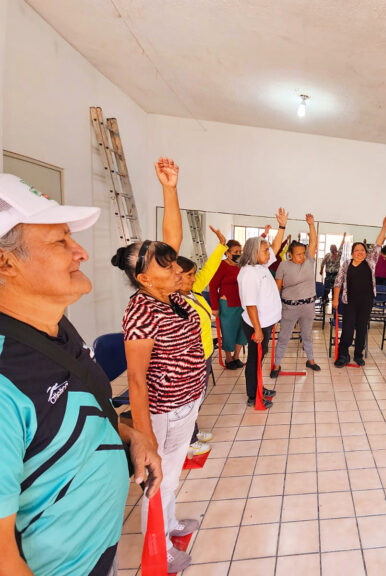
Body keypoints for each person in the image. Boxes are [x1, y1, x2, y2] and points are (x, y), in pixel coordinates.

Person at [0, 173, 161, 576]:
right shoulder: (5, 380)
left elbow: (70, 411)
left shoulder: (55, 328)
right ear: (6, 262)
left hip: (98, 554)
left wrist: (128, 433)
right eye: (60, 242)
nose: (81, 253)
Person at [114, 158, 206, 573]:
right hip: (163, 409)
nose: (175, 269)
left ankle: (169, 523)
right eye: (165, 267)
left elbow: (171, 238)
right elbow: (135, 378)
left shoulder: (171, 297)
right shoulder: (142, 311)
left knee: (171, 477)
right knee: (159, 478)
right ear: (144, 279)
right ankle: (159, 552)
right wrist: (145, 435)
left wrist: (170, 189)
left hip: (188, 400)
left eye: (173, 263)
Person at [177, 225, 229, 455]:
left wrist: (221, 245)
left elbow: (208, 271)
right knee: (188, 401)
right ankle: (187, 441)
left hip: (205, 352)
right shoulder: (173, 300)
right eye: (188, 275)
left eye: (192, 274)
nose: (193, 278)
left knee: (197, 399)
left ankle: (193, 430)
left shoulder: (193, 291)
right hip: (189, 358)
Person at [238, 209, 288, 406]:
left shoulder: (261, 266)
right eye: (265, 251)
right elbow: (250, 305)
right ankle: (253, 396)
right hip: (256, 325)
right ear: (254, 253)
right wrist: (258, 329)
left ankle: (258, 387)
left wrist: (282, 226)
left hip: (264, 323)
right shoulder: (249, 274)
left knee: (259, 359)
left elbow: (275, 246)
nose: (270, 253)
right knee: (254, 360)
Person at [333, 216, 386, 367]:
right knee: (347, 329)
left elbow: (378, 244)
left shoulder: (370, 262)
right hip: (350, 302)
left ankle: (358, 354)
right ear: (352, 253)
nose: (360, 252)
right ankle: (343, 355)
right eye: (356, 250)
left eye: (362, 250)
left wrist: (384, 227)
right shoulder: (346, 264)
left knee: (361, 329)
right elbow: (338, 281)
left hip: (366, 302)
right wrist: (335, 299)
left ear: (366, 252)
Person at [272, 214, 321, 377]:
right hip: (290, 307)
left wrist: (311, 225)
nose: (302, 256)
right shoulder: (283, 266)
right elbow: (276, 288)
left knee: (307, 334)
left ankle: (311, 360)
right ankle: (277, 364)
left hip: (308, 306)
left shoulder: (308, 261)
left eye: (303, 253)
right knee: (284, 336)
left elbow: (313, 242)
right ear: (290, 254)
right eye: (298, 254)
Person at [209, 239, 247, 369]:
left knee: (242, 332)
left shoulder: (242, 265)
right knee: (228, 332)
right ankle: (228, 358)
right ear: (228, 253)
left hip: (242, 303)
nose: (238, 254)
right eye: (235, 252)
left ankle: (236, 357)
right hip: (227, 304)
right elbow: (213, 286)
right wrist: (214, 307)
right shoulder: (222, 265)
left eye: (240, 251)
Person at [320, 233, 345, 299]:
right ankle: (325, 299)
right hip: (329, 274)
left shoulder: (338, 254)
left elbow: (341, 245)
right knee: (327, 289)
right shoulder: (328, 255)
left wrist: (344, 237)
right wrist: (321, 271)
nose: (333, 250)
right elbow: (322, 263)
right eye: (332, 249)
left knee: (335, 289)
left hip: (335, 274)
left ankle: (333, 299)